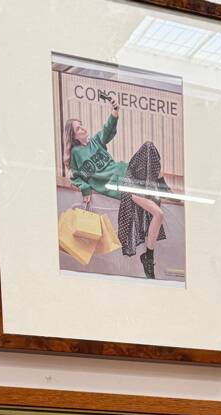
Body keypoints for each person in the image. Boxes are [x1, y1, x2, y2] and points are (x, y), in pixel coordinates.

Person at [63, 93, 167, 278]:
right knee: (158, 213)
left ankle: (159, 184)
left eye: (81, 125)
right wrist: (85, 189)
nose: (83, 128)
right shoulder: (77, 154)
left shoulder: (96, 141)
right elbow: (75, 176)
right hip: (121, 186)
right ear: (74, 135)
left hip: (128, 172)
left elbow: (108, 129)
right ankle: (148, 257)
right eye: (78, 128)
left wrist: (115, 110)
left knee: (149, 148)